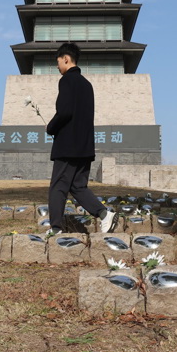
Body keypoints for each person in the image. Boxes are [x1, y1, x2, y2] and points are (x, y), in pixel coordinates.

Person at [45, 42, 115, 235]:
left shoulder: (67, 80)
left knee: (58, 186)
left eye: (58, 62)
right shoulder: (86, 84)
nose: (58, 66)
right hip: (85, 145)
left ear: (66, 59)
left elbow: (65, 111)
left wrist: (50, 127)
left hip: (68, 145)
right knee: (77, 186)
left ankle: (56, 228)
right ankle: (103, 214)